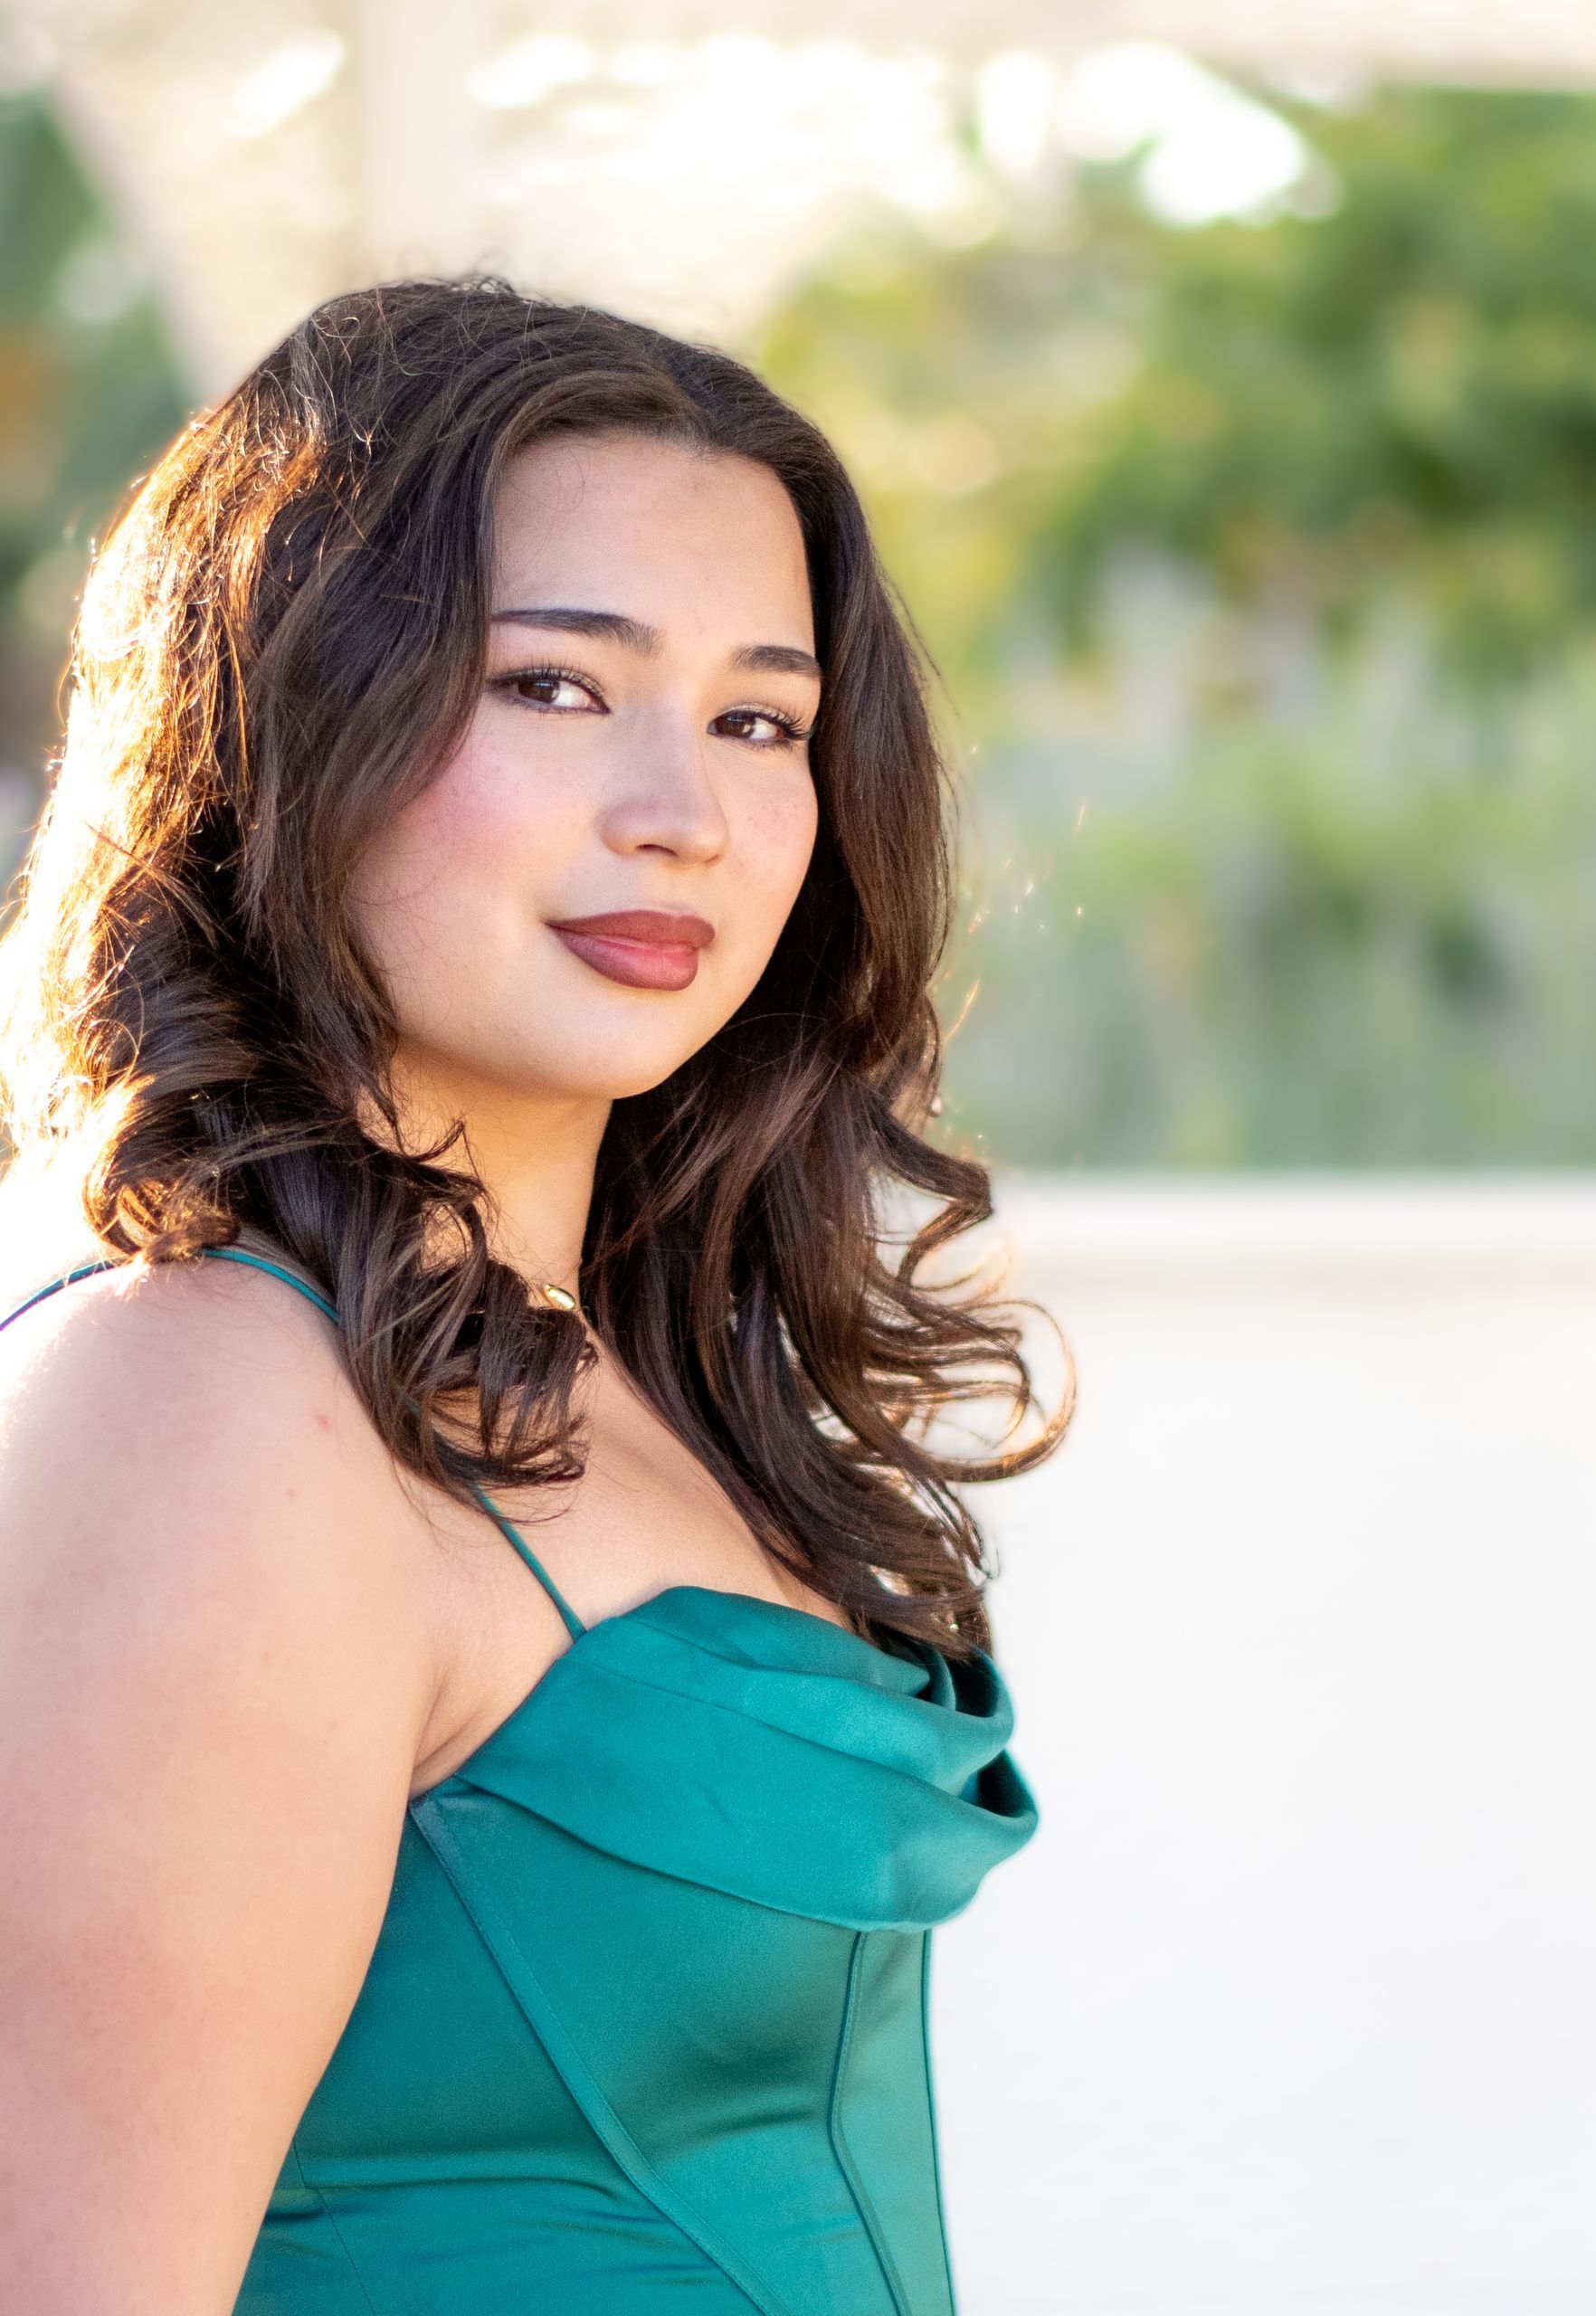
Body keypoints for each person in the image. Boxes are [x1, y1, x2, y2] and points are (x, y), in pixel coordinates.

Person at [0, 275, 1069, 2313]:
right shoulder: (207, 1400)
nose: (683, 810)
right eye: (558, 687)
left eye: (761, 718)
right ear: (288, 708)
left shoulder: (658, 1363)